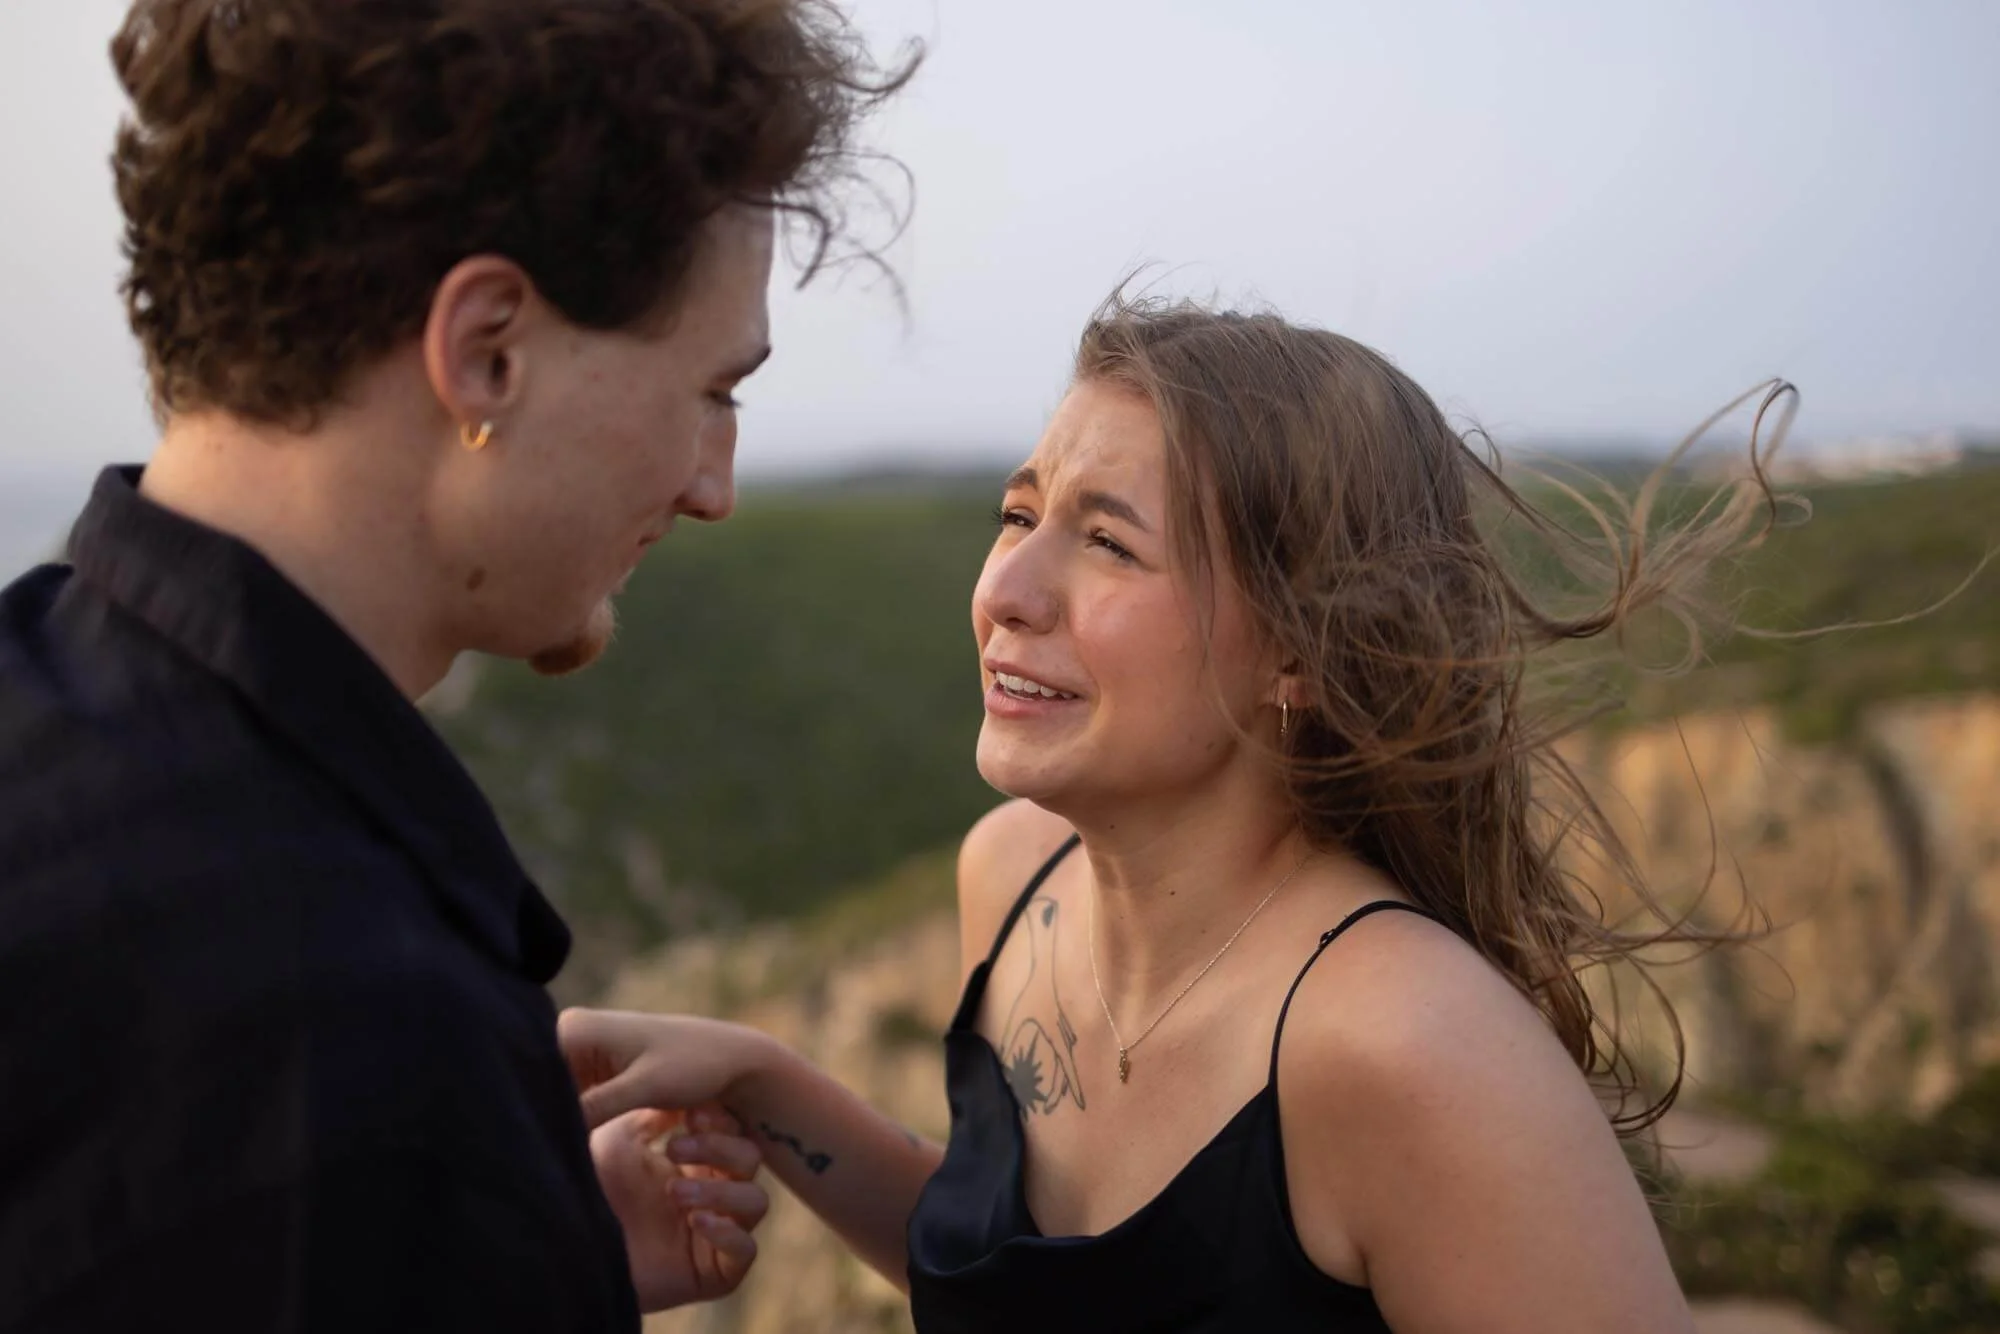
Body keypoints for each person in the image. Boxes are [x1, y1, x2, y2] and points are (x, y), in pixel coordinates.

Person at [560, 293, 1797, 1331]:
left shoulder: (1408, 1049)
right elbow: (1043, 1290)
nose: (1006, 591)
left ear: (1300, 652)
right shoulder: (1013, 876)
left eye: (1107, 543)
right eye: (1016, 514)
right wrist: (762, 1082)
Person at [0, 0, 910, 1327]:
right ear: (488, 349)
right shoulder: (359, 1042)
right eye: (714, 389)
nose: (714, 486)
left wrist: (537, 1244)